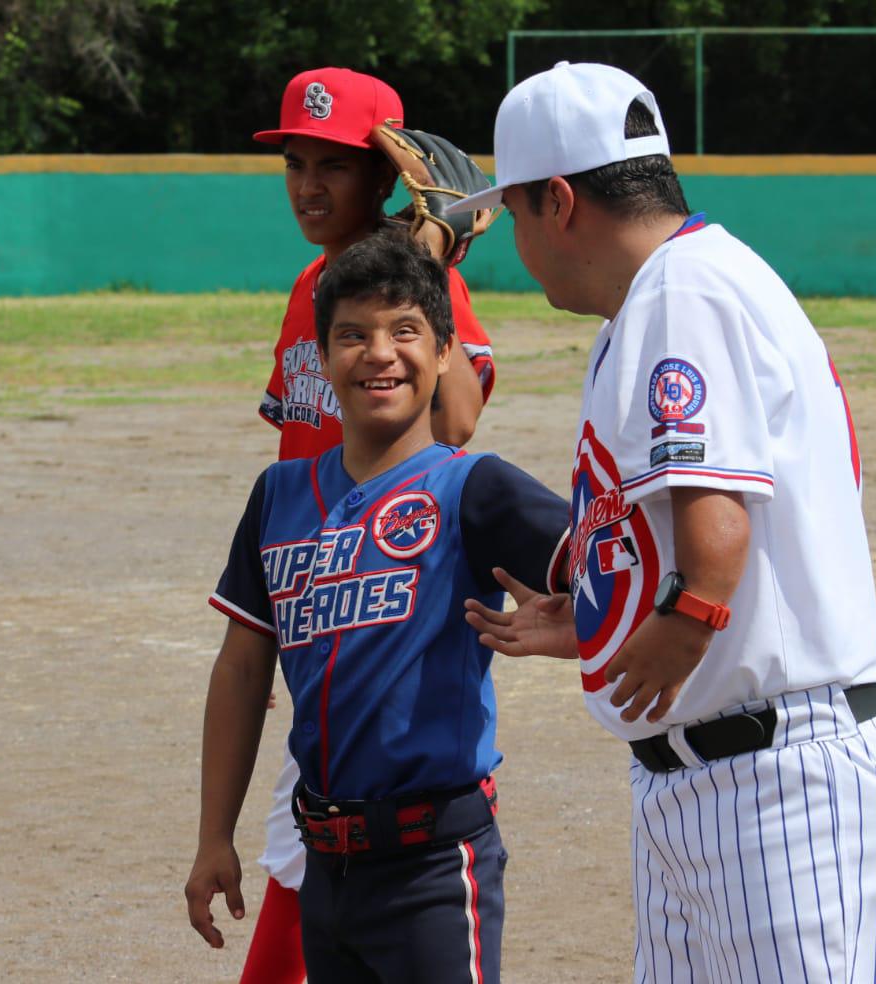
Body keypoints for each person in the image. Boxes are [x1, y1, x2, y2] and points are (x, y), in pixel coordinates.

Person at [455, 62, 876, 982]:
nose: (516, 242)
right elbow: (692, 532)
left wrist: (687, 621)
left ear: (559, 201)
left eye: (517, 214)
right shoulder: (671, 293)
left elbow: (717, 534)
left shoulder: (681, 291)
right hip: (714, 787)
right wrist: (605, 618)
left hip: (789, 801)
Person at [185, 232, 569, 983]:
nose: (379, 354)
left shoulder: (474, 488)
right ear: (322, 358)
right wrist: (213, 838)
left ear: (446, 351)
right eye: (351, 336)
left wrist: (583, 631)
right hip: (326, 867)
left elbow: (621, 573)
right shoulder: (281, 496)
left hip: (431, 863)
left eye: (405, 332)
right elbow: (239, 670)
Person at [238, 67, 498, 984]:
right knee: (299, 854)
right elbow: (294, 459)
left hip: (380, 595)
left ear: (385, 176)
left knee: (302, 847)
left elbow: (458, 423)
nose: (310, 184)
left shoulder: (406, 285)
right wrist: (285, 624)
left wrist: (433, 268)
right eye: (295, 163)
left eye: (335, 166)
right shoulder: (315, 285)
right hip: (315, 597)